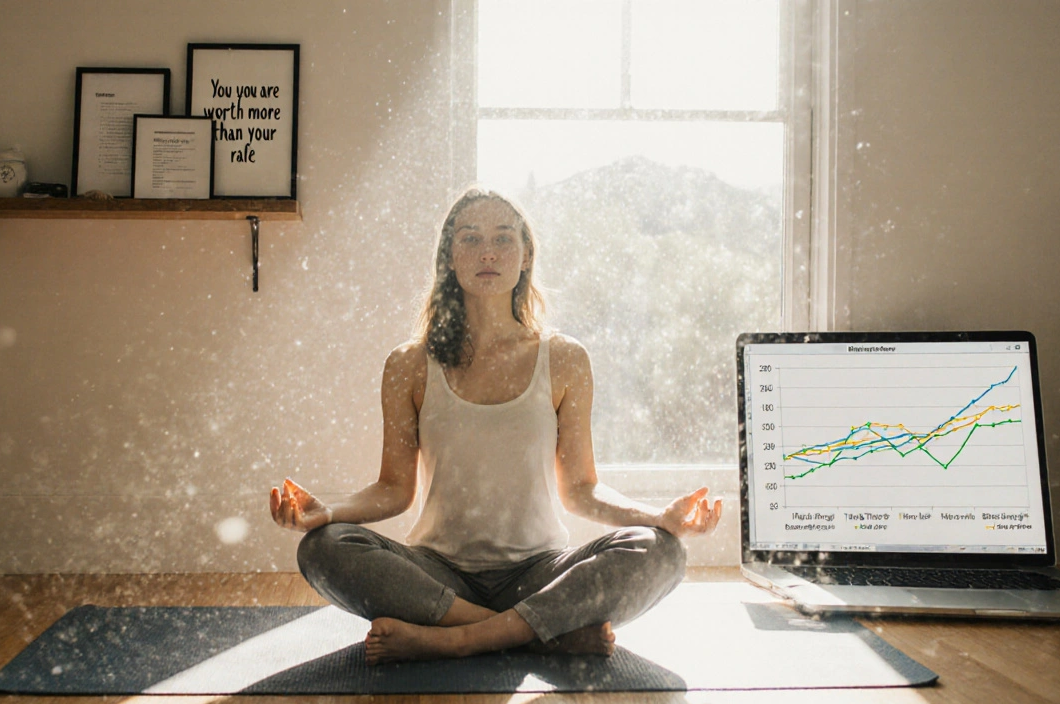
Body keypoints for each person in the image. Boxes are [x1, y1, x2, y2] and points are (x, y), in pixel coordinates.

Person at [269, 188, 722, 665]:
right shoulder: (409, 365)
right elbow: (393, 489)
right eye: (470, 239)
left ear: (526, 256)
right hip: (438, 573)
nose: (487, 252)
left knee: (663, 552)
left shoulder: (564, 359)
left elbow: (582, 490)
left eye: (504, 239)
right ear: (449, 257)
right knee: (323, 548)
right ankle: (535, 632)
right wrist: (329, 514)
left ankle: (456, 638)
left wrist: (656, 519)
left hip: (540, 571)